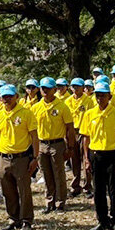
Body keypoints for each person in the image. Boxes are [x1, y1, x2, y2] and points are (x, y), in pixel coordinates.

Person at [80, 82, 115, 230]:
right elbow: (86, 138)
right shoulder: (89, 114)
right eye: (97, 95)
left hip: (113, 155)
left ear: (110, 96)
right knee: (98, 189)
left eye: (103, 95)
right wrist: (86, 159)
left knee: (113, 188)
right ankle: (102, 220)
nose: (100, 98)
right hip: (96, 155)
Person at [0, 84, 39, 230]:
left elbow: (34, 137)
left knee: (24, 190)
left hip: (21, 157)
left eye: (10, 96)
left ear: (16, 96)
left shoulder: (26, 113)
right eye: (4, 96)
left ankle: (26, 220)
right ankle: (13, 219)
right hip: (3, 157)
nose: (7, 99)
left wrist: (35, 157)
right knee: (8, 190)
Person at [31, 77, 76, 214]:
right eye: (43, 88)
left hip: (57, 144)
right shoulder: (36, 107)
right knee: (46, 174)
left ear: (54, 89)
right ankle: (49, 202)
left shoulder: (62, 106)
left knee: (59, 174)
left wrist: (70, 147)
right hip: (42, 144)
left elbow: (70, 128)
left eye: (48, 88)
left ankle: (60, 203)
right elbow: (32, 130)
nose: (45, 91)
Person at [68, 78, 95, 198]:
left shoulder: (88, 101)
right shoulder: (68, 101)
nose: (76, 89)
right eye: (73, 86)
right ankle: (75, 185)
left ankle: (87, 186)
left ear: (83, 87)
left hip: (84, 132)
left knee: (86, 158)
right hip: (72, 132)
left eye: (78, 86)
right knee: (74, 159)